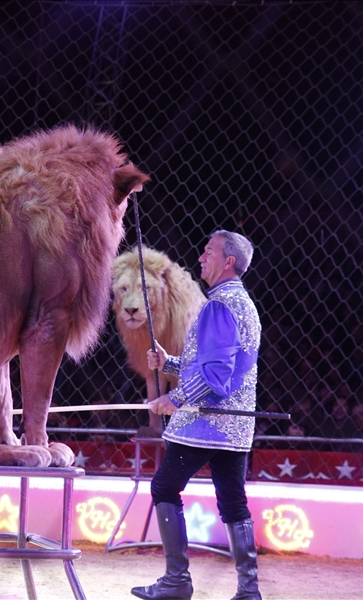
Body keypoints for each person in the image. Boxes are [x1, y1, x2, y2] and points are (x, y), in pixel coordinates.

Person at [132, 230, 262, 600]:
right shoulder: (243, 303)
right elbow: (217, 365)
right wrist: (169, 362)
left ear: (228, 261)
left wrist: (176, 397)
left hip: (205, 421)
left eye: (209, 252)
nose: (201, 257)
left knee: (164, 487)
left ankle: (176, 581)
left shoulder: (219, 305)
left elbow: (216, 375)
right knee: (233, 502)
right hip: (236, 425)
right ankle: (249, 591)